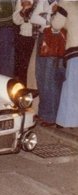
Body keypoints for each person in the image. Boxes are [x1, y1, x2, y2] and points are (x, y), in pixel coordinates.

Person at [31, 0, 65, 127]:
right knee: (41, 77)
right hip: (42, 37)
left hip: (54, 39)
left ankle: (50, 116)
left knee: (49, 79)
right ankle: (44, 113)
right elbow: (33, 18)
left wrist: (45, 16)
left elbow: (61, 21)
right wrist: (49, 17)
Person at [51, 0, 78, 128]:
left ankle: (66, 122)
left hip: (75, 51)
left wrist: (54, 13)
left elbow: (56, 24)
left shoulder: (65, 3)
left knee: (71, 87)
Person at [13, 0, 38, 85]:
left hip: (38, 37)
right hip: (24, 37)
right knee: (23, 68)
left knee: (34, 68)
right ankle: (24, 91)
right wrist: (23, 9)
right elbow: (16, 20)